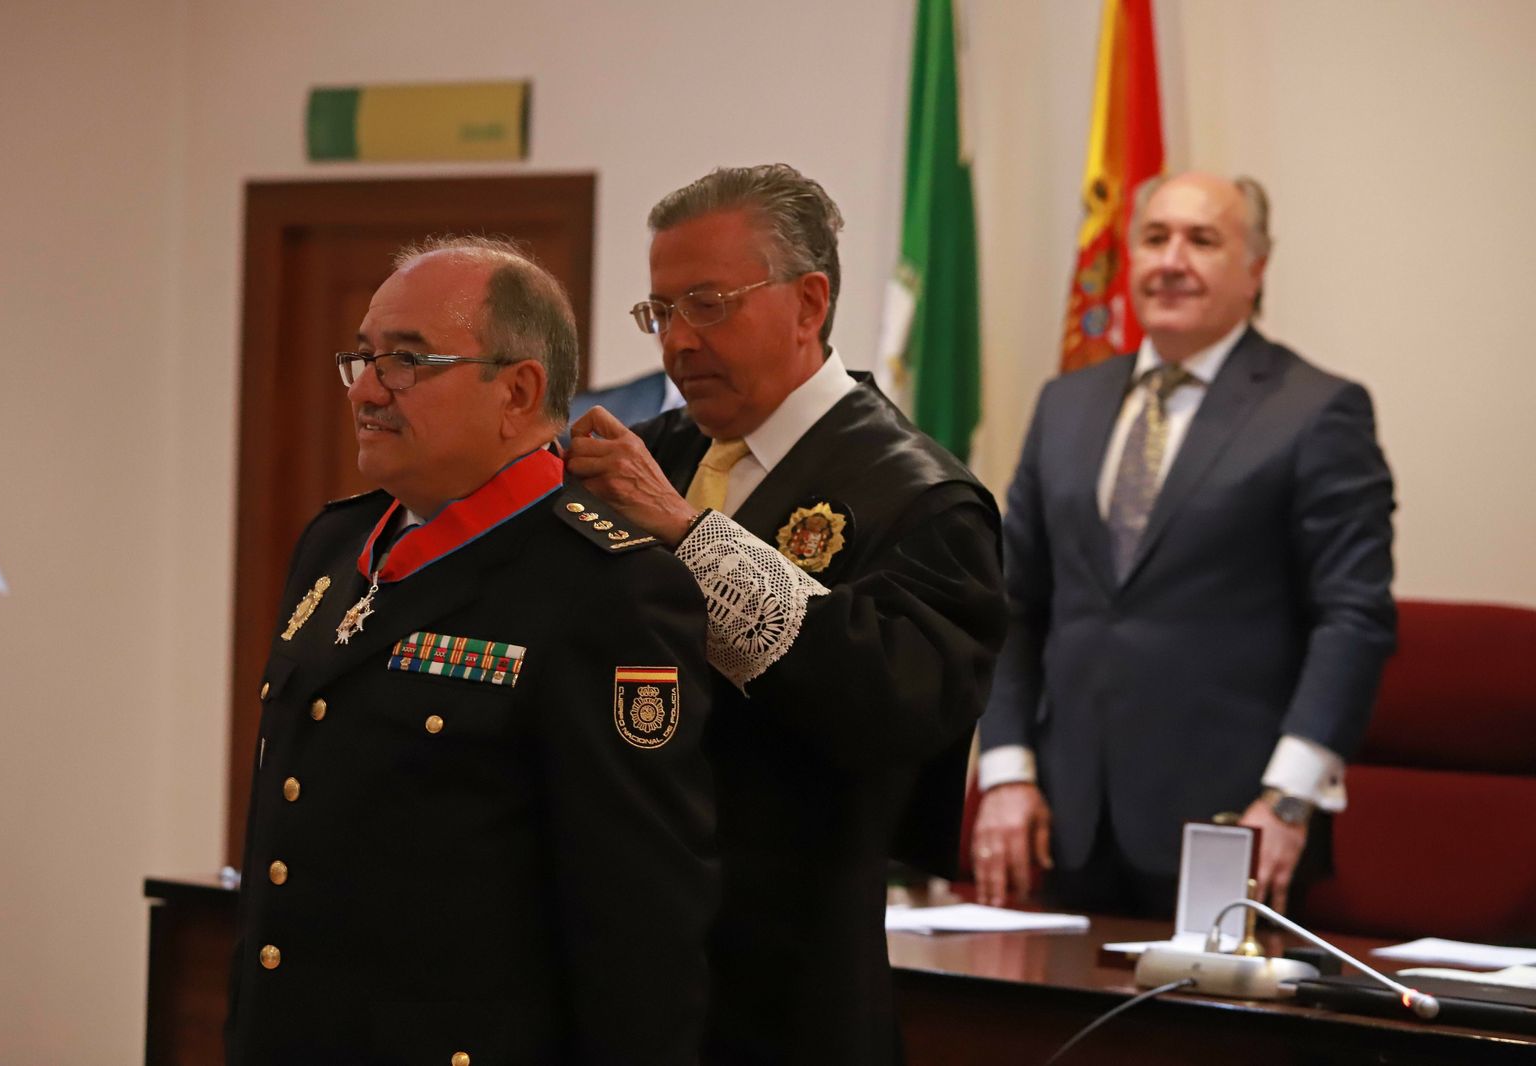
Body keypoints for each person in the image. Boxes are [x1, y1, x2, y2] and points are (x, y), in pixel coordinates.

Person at [226, 236, 717, 1066]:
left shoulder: (606, 589)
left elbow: (640, 928)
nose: (370, 390)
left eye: (409, 361)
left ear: (517, 391)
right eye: (365, 358)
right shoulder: (335, 544)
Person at [566, 164, 1007, 1066]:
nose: (678, 343)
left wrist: (692, 537)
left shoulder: (921, 497)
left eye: (708, 304)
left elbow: (898, 707)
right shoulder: (649, 454)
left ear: (810, 304)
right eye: (660, 312)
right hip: (621, 966)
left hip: (785, 988)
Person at [971, 171, 1396, 919]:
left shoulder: (1317, 410)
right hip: (1062, 829)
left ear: (1256, 268)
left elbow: (1353, 618)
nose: (1172, 260)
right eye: (1154, 237)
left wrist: (1289, 800)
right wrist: (1006, 772)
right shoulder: (1065, 403)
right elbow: (1011, 601)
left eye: (1203, 240)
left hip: (1236, 830)